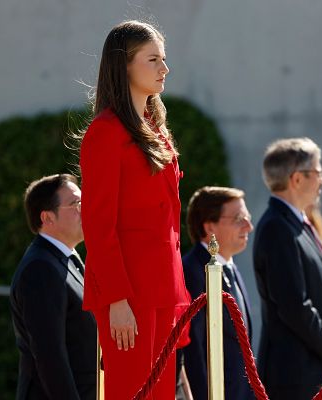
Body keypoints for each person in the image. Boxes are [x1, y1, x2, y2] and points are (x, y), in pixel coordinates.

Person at [79, 20, 191, 398]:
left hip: (163, 287)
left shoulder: (154, 127)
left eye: (164, 58)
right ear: (124, 65)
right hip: (129, 292)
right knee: (131, 392)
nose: (165, 68)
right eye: (153, 59)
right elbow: (98, 224)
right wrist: (116, 300)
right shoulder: (106, 132)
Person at [252, 137, 322, 400]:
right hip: (294, 378)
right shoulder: (278, 228)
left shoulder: (296, 224)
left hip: (312, 373)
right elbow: (294, 305)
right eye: (318, 172)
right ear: (297, 179)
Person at [10, 174, 97, 399]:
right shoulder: (40, 268)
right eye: (76, 203)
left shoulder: (66, 260)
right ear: (47, 217)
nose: (85, 209)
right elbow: (50, 356)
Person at [178, 186, 255, 400]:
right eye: (239, 218)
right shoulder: (193, 271)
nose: (249, 226)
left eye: (247, 217)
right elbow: (194, 351)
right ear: (210, 226)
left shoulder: (230, 266)